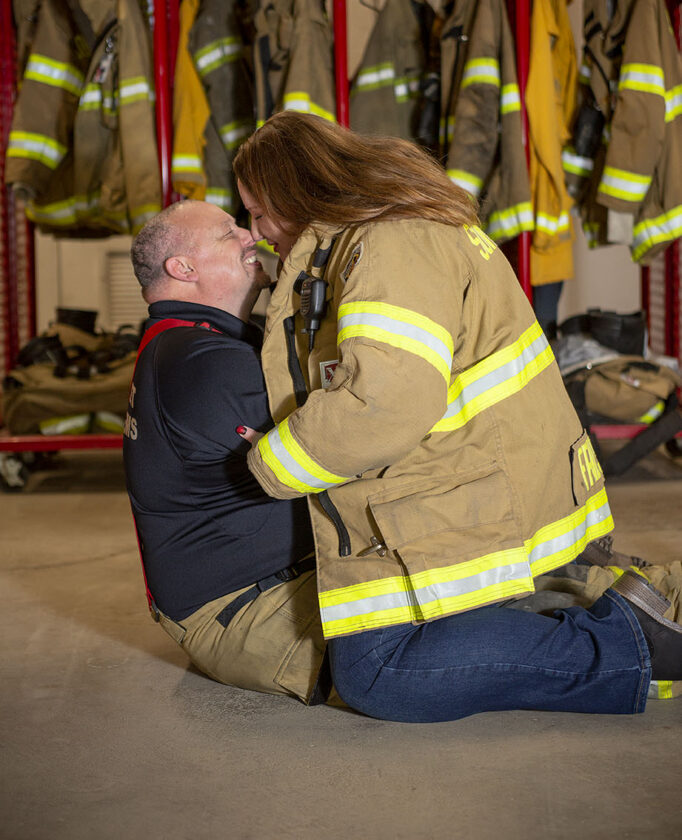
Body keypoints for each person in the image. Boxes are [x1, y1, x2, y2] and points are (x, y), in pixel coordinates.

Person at [232, 110, 682, 722]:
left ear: (298, 188)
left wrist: (271, 464)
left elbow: (385, 403)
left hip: (483, 488)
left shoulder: (391, 245)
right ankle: (634, 598)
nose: (256, 231)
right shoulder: (383, 235)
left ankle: (629, 646)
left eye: (259, 212)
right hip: (480, 476)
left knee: (376, 672)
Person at [123, 200, 329, 704]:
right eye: (227, 232)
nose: (251, 236)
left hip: (243, 597)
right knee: (410, 653)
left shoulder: (187, 343)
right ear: (183, 268)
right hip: (247, 616)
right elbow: (338, 448)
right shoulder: (201, 363)